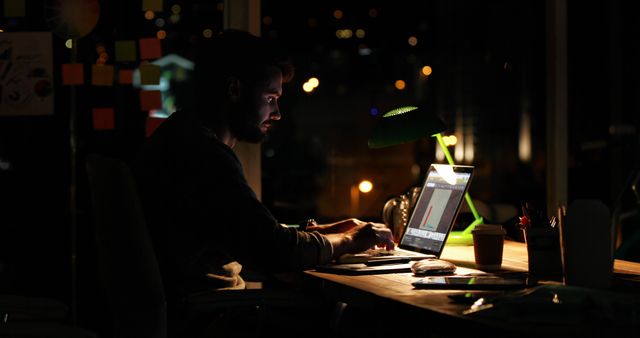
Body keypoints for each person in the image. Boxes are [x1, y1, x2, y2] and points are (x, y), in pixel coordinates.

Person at [132, 29, 394, 335]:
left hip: (201, 313)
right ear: (234, 90)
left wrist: (317, 233)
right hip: (213, 321)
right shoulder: (204, 156)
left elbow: (248, 235)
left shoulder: (179, 138)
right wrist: (349, 241)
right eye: (270, 98)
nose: (278, 113)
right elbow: (273, 251)